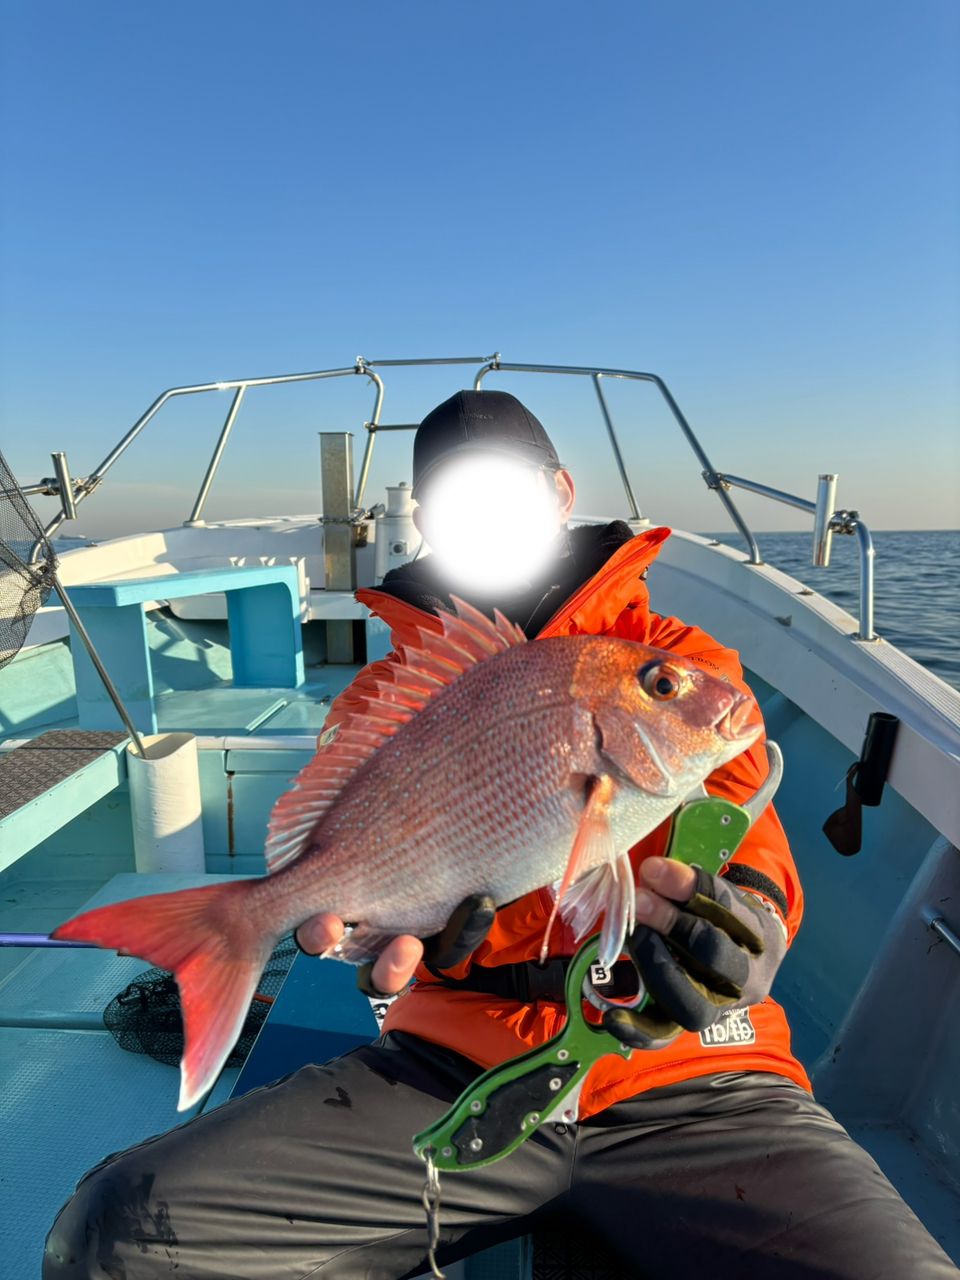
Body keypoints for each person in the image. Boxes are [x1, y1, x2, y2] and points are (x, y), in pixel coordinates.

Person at [44, 391, 957, 1279]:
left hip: (694, 1074)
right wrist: (369, 934)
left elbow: (745, 833)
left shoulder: (676, 664)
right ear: (428, 521)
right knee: (116, 1240)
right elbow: (354, 903)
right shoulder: (381, 697)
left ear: (561, 495)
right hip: (451, 1062)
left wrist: (746, 921)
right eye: (458, 502)